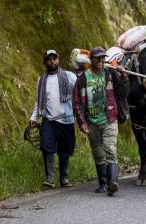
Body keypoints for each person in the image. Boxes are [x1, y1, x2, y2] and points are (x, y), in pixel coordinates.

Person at [73, 47, 129, 196]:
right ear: (91, 60)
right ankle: (103, 184)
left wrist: (123, 76)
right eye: (97, 58)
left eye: (103, 58)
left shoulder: (110, 74)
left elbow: (123, 93)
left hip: (110, 118)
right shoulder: (83, 78)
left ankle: (112, 182)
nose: (100, 61)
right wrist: (82, 122)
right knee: (98, 153)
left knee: (110, 149)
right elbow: (77, 102)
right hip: (92, 122)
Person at [29, 49, 77, 188]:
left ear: (58, 59)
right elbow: (38, 101)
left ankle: (64, 178)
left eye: (54, 58)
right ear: (45, 62)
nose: (52, 61)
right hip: (49, 120)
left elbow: (80, 92)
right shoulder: (41, 80)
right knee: (46, 146)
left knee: (65, 149)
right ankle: (49, 179)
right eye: (49, 59)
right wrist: (34, 118)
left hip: (66, 120)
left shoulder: (69, 76)